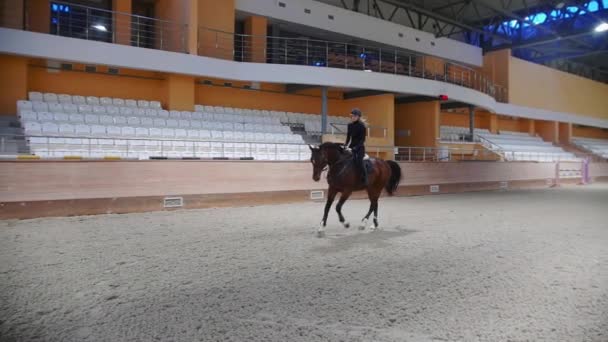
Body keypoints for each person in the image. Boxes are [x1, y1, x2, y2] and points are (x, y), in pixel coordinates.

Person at [345, 108, 368, 185]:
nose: (352, 117)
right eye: (351, 116)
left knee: (359, 161)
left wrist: (356, 147)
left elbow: (362, 140)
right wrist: (345, 145)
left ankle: (364, 177)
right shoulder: (349, 125)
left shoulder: (362, 126)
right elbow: (348, 137)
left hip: (359, 148)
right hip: (351, 147)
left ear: (358, 117)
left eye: (354, 116)